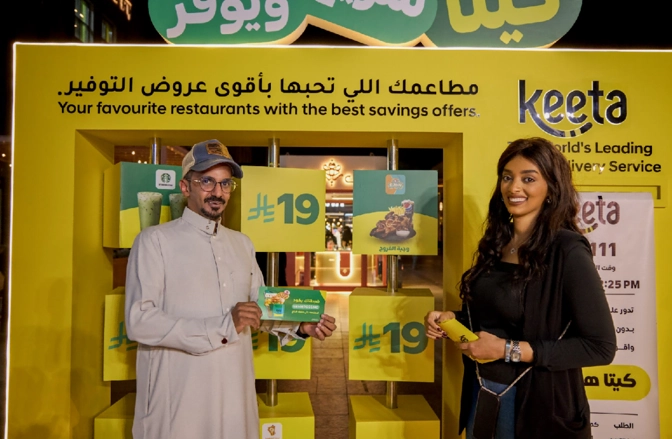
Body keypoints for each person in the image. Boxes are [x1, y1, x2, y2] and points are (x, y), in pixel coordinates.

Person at [125, 139, 337, 440]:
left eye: (225, 184)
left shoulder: (241, 243)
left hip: (235, 396)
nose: (218, 192)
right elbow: (139, 321)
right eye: (207, 181)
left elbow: (259, 309)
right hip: (178, 400)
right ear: (185, 187)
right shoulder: (154, 241)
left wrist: (300, 326)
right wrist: (224, 326)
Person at [424, 138, 616, 439]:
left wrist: (505, 349)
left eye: (528, 179)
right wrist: (453, 321)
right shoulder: (497, 243)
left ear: (552, 188)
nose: (514, 187)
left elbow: (599, 347)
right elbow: (500, 318)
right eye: (507, 177)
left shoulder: (567, 250)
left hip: (537, 405)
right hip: (483, 392)